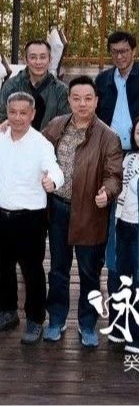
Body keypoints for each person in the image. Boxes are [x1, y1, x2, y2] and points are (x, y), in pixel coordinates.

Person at [0, 92, 64, 345]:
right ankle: (7, 311)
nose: (17, 118)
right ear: (6, 112)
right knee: (2, 266)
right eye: (12, 112)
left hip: (31, 217)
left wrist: (52, 181)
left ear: (33, 114)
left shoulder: (41, 143)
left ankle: (35, 319)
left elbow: (55, 168)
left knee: (32, 269)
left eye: (23, 113)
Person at [41, 76, 123, 347]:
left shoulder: (108, 136)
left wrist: (107, 192)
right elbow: (37, 150)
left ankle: (87, 324)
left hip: (90, 213)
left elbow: (114, 174)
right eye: (76, 98)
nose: (82, 104)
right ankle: (56, 319)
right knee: (58, 269)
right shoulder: (56, 126)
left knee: (90, 272)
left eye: (88, 98)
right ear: (69, 100)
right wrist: (8, 126)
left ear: (96, 101)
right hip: (58, 210)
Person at [95, 31, 139, 332]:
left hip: (136, 154)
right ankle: (118, 317)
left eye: (124, 51)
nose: (119, 56)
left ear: (133, 51)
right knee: (112, 229)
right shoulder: (103, 80)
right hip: (110, 157)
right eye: (114, 51)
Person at [0, 39, 70, 130]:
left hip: (49, 138)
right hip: (17, 136)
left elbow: (64, 123)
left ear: (50, 59)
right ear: (25, 60)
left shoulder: (61, 90)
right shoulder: (11, 86)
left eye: (42, 57)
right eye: (33, 57)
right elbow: (1, 118)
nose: (38, 62)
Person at [112, 116, 139, 354]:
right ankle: (120, 327)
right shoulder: (129, 158)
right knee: (121, 276)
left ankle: (136, 336)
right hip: (124, 224)